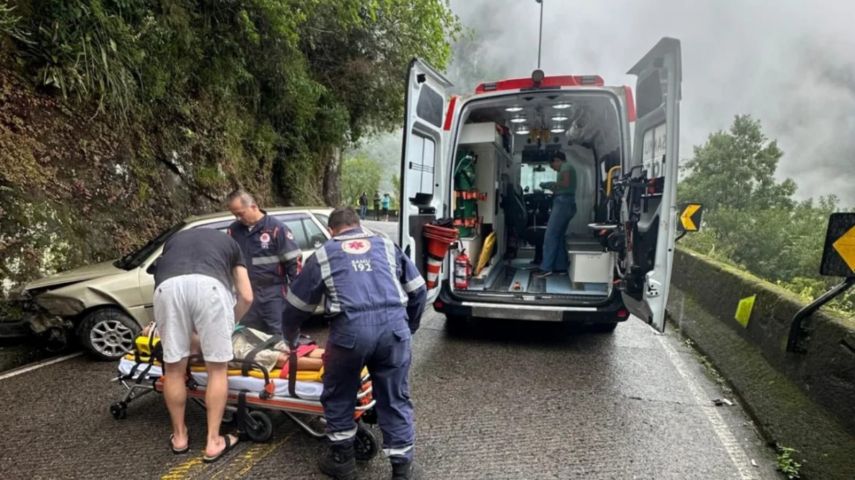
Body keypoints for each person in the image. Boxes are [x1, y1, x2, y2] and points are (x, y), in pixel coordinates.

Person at [282, 207, 427, 480]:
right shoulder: (386, 245)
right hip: (394, 329)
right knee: (395, 397)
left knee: (339, 394)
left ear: (332, 230)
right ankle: (402, 470)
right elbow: (418, 290)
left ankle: (343, 462)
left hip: (350, 332)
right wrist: (410, 327)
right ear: (358, 225)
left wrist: (290, 338)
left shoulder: (325, 253)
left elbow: (296, 306)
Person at [151, 228, 253, 462]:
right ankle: (213, 440)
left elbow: (165, 278)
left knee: (174, 368)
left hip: (166, 289)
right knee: (217, 368)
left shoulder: (172, 241)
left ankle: (179, 437)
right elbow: (247, 296)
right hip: (210, 288)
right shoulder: (232, 245)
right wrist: (229, 323)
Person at [226, 190, 302, 334]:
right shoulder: (233, 231)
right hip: (246, 294)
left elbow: (294, 262)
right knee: (250, 337)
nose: (238, 218)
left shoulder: (276, 228)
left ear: (254, 207)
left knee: (280, 336)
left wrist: (295, 296)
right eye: (235, 215)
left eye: (240, 214)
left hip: (274, 294)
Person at [536, 151, 577, 278]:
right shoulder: (568, 168)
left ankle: (546, 268)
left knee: (550, 235)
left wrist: (549, 185)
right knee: (558, 237)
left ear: (557, 160)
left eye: (553, 166)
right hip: (568, 203)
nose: (554, 169)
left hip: (563, 203)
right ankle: (561, 267)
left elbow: (564, 184)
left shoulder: (566, 167)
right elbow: (565, 185)